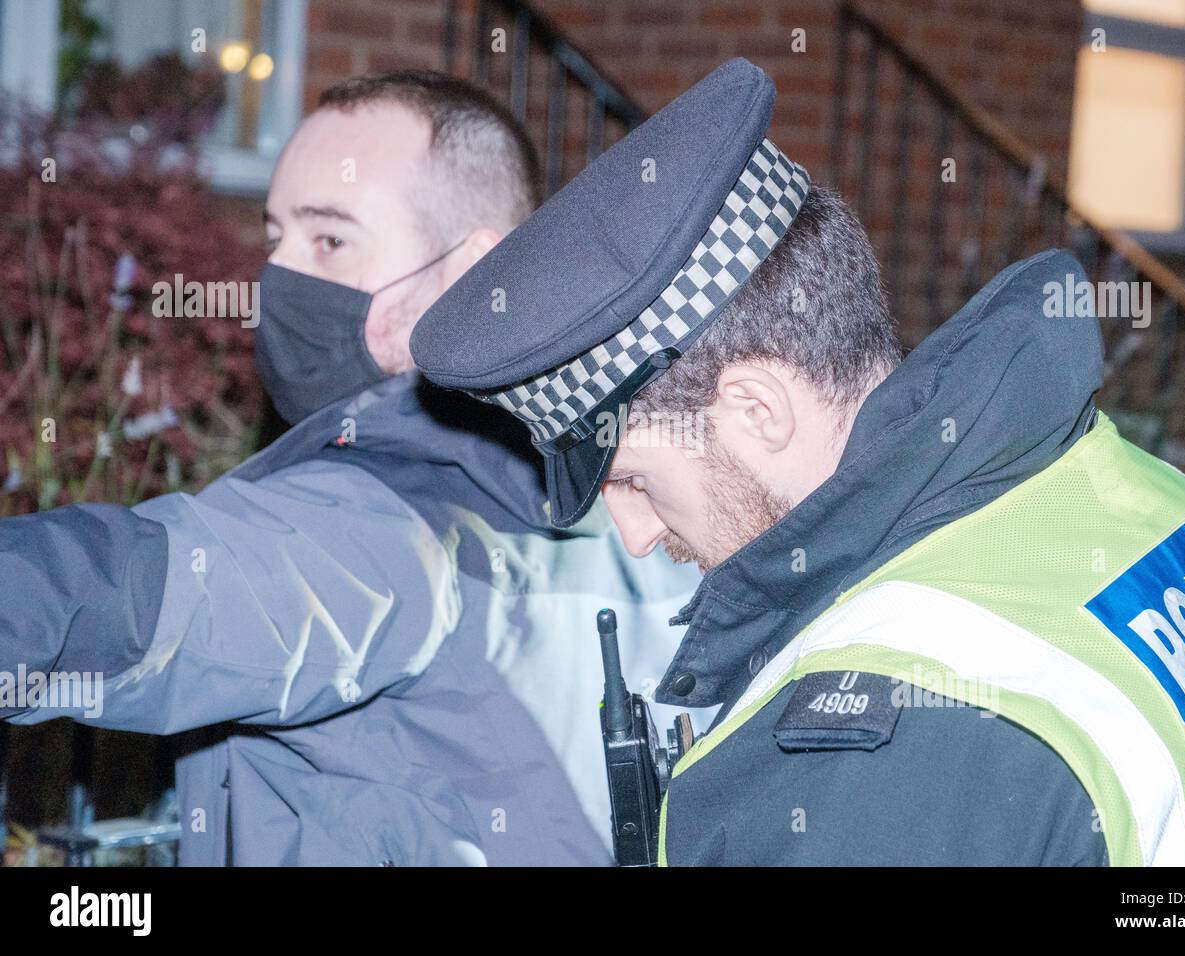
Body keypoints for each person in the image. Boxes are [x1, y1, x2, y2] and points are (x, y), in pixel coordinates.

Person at [412, 58, 1185, 866]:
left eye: (635, 479)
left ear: (757, 409)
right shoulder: (1141, 497)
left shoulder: (864, 754)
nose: (635, 536)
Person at [0, 70, 701, 865]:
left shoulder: (383, 513)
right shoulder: (634, 488)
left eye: (329, 240)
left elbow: (123, 594)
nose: (279, 281)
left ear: (473, 275)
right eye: (275, 239)